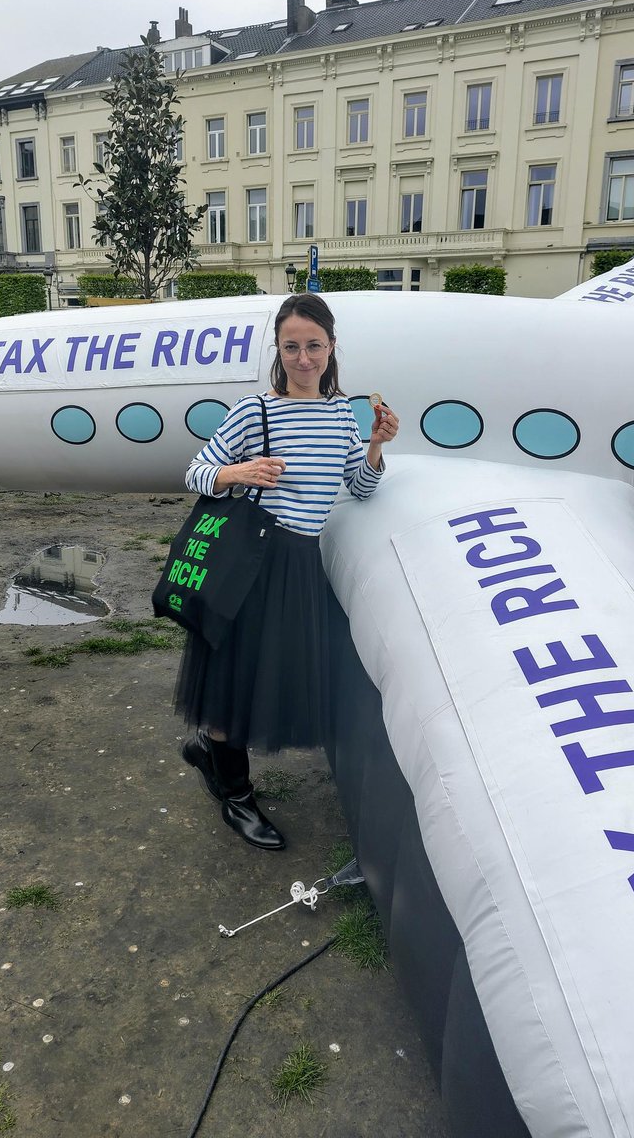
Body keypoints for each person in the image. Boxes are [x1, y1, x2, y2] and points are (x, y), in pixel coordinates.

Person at [177, 293, 399, 850]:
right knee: (234, 675)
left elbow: (360, 487)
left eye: (314, 346)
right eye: (292, 346)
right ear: (278, 350)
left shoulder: (340, 416)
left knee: (266, 673)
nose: (304, 358)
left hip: (300, 564)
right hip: (252, 560)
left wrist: (374, 446)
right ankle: (235, 795)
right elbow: (195, 473)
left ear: (331, 347)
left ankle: (210, 752)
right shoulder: (255, 411)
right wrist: (238, 470)